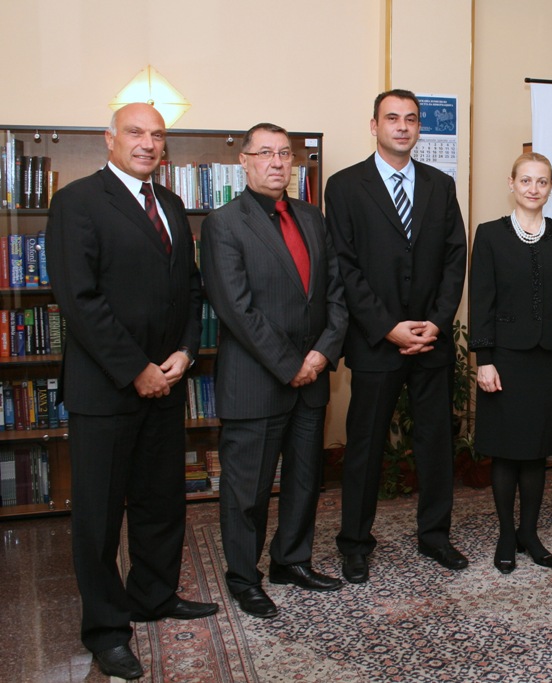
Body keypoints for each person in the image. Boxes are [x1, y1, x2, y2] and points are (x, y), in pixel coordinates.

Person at [46, 103, 216, 680]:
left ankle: (154, 595)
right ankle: (106, 630)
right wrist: (136, 368)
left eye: (157, 135)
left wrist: (185, 354)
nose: (147, 143)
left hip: (166, 384)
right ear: (109, 139)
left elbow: (191, 292)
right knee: (98, 519)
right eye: (135, 132)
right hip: (107, 390)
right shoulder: (77, 202)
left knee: (159, 502)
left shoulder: (169, 204)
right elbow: (79, 299)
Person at [201, 123, 348, 618]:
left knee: (306, 481)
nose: (277, 162)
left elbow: (335, 293)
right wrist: (291, 365)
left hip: (312, 378)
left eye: (286, 153)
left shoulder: (311, 217)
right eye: (265, 153)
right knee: (248, 492)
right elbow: (236, 309)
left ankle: (292, 560)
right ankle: (244, 577)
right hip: (257, 382)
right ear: (243, 162)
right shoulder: (224, 223)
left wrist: (322, 355)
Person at [325, 89, 468, 583]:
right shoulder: (344, 186)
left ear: (418, 128)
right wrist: (387, 327)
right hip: (374, 342)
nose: (402, 127)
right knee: (365, 446)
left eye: (410, 119)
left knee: (435, 443)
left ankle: (435, 536)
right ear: (374, 125)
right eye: (392, 118)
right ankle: (355, 543)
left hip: (431, 340)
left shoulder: (439, 185)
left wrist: (437, 320)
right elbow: (344, 266)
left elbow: (455, 258)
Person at [469, 152, 552, 573]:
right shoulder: (489, 235)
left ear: (551, 187)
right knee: (505, 453)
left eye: (542, 181)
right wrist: (484, 359)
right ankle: (505, 533)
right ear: (512, 183)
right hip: (503, 361)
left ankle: (529, 533)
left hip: (550, 361)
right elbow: (481, 300)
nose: (534, 188)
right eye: (527, 181)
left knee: (536, 454)